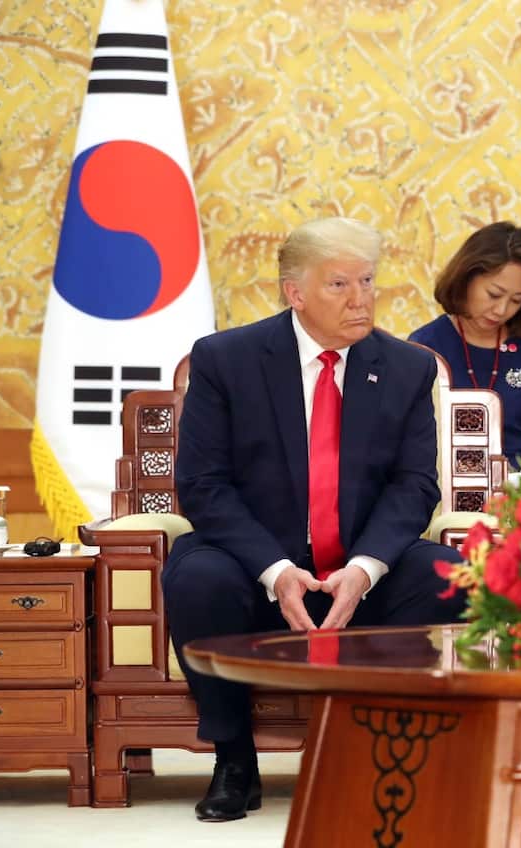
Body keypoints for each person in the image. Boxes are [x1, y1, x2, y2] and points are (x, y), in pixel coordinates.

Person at [162, 217, 465, 822]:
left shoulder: (407, 368)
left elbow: (414, 485)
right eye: (339, 285)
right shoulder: (226, 360)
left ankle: (376, 745)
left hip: (358, 569)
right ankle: (233, 759)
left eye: (368, 281)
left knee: (447, 573)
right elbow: (202, 485)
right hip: (256, 566)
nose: (361, 300)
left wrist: (365, 567)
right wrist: (275, 571)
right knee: (196, 576)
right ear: (294, 292)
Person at [409, 222, 521, 468]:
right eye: (494, 294)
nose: (502, 310)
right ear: (466, 279)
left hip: (517, 490)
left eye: (516, 300)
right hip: (445, 493)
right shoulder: (425, 347)